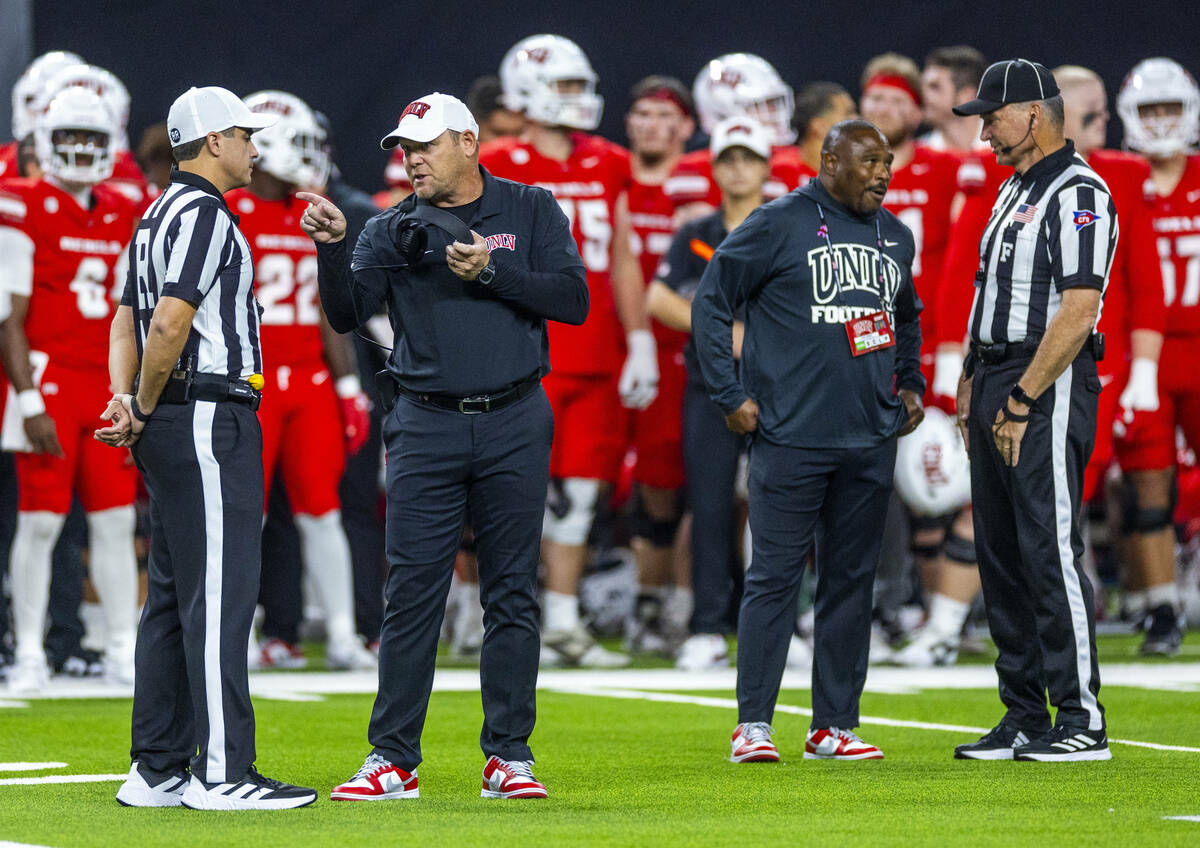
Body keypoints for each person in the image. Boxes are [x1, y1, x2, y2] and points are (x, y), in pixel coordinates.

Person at [300, 92, 587, 801]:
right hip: (424, 421)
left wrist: (490, 271)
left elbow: (574, 301)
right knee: (413, 594)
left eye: (425, 145)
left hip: (516, 415)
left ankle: (509, 757)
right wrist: (333, 248)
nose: (413, 159)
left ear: (468, 140)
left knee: (513, 590)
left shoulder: (530, 207)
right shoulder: (389, 225)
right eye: (405, 148)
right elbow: (344, 313)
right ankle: (392, 758)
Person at [98, 85, 315, 809]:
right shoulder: (203, 214)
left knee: (170, 593)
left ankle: (156, 766)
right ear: (213, 141)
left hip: (171, 415)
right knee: (220, 595)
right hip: (204, 414)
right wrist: (150, 402)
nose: (256, 148)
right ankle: (222, 771)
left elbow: (124, 322)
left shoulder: (153, 214)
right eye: (245, 135)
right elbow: (166, 324)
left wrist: (129, 402)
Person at [692, 119, 924, 762]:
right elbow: (712, 299)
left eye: (888, 161)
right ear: (829, 161)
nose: (883, 172)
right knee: (773, 577)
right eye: (870, 161)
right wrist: (728, 394)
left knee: (851, 581)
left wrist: (911, 383)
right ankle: (754, 724)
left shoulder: (896, 234)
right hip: (790, 436)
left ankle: (834, 725)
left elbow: (907, 316)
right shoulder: (777, 222)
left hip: (870, 437)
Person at [951, 59, 1117, 762]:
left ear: (1031, 113)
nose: (983, 131)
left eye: (991, 116)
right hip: (996, 374)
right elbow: (989, 291)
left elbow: (1078, 311)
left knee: (1047, 547)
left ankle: (1082, 717)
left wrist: (1022, 397)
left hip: (1042, 379)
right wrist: (969, 377)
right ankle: (1023, 712)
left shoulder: (1081, 192)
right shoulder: (1013, 189)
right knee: (1000, 554)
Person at [481, 34, 653, 668]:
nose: (579, 100)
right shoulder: (496, 160)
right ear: (525, 91)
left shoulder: (609, 161)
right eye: (565, 87)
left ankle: (561, 622)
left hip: (597, 349)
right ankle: (503, 621)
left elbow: (625, 255)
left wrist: (639, 339)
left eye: (582, 87)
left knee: (582, 497)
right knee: (512, 493)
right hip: (527, 349)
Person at [229, 89, 375, 672]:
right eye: (302, 144)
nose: (312, 158)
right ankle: (239, 635)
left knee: (322, 510)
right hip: (251, 381)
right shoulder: (226, 212)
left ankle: (342, 633)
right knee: (247, 514)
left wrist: (347, 388)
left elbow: (328, 310)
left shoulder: (313, 213)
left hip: (311, 382)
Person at [0, 87, 140, 692]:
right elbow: (7, 312)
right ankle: (29, 649)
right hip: (49, 378)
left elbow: (130, 310)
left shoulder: (124, 204)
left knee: (114, 522)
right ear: (44, 142)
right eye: (70, 138)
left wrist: (129, 393)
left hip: (102, 381)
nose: (82, 149)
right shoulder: (21, 200)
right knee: (39, 523)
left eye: (92, 137)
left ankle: (120, 646)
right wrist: (26, 400)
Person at [646, 117, 771, 671]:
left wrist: (754, 338)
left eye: (749, 158)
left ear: (767, 166)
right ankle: (707, 626)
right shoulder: (696, 231)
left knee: (780, 512)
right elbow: (659, 299)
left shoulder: (787, 228)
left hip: (778, 388)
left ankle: (777, 628)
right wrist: (732, 335)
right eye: (729, 158)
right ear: (716, 168)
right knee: (711, 506)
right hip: (712, 386)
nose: (739, 168)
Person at [1055, 64, 1170, 653]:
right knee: (1056, 500)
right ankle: (1069, 607)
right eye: (1093, 112)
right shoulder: (1025, 177)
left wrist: (1143, 371)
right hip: (1048, 361)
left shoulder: (1123, 174)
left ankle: (1160, 605)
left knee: (1147, 482)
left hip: (1114, 360)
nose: (1108, 123)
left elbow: (1146, 282)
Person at [1114, 57, 1200, 654]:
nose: (1163, 120)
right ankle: (1162, 606)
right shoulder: (1116, 178)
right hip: (1141, 349)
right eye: (1151, 110)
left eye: (1172, 107)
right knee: (1148, 486)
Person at [623, 75, 696, 654]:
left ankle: (669, 607)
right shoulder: (613, 178)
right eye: (641, 113)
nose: (651, 125)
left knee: (669, 486)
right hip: (609, 348)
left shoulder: (696, 185)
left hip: (677, 353)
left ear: (686, 127)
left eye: (663, 115)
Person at [666, 53, 801, 223]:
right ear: (725, 112)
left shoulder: (790, 159)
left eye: (774, 103)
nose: (774, 113)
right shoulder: (692, 170)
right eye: (763, 105)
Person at [920, 46, 989, 153]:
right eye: (922, 87)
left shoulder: (1009, 150)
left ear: (967, 95)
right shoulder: (919, 155)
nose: (924, 95)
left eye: (935, 87)